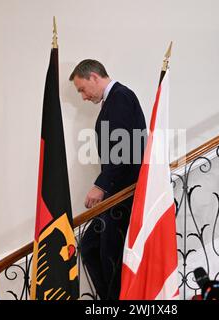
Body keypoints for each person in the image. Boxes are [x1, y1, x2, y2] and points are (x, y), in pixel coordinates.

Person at [69, 59, 147, 299]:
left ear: (94, 76)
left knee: (111, 255)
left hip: (124, 193)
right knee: (91, 247)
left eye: (82, 89)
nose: (82, 97)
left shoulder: (121, 96)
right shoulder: (112, 101)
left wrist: (100, 185)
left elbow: (125, 148)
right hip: (116, 193)